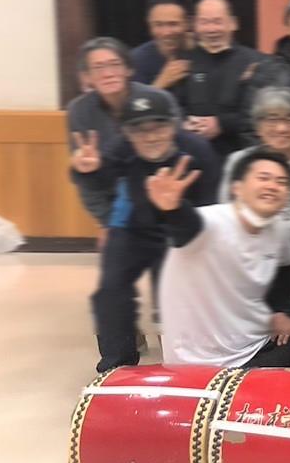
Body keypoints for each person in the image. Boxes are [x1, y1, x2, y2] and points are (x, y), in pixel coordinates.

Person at [70, 87, 219, 372]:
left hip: (184, 229)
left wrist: (177, 214)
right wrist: (86, 172)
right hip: (135, 228)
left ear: (173, 126)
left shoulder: (198, 151)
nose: (150, 137)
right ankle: (115, 368)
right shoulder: (121, 147)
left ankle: (189, 366)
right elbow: (101, 178)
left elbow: (211, 214)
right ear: (128, 133)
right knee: (111, 291)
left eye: (158, 126)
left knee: (175, 297)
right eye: (140, 130)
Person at [154, 149, 290, 368]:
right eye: (263, 178)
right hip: (202, 365)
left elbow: (287, 268)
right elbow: (185, 227)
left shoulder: (278, 229)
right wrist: (173, 209)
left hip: (256, 345)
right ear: (237, 187)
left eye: (281, 182)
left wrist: (280, 311)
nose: (272, 186)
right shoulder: (210, 222)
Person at [219, 88, 290, 301]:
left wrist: (258, 225)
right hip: (247, 274)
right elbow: (229, 218)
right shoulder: (238, 161)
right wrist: (275, 222)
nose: (281, 128)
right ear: (258, 126)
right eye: (272, 119)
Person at [66, 37, 173, 240]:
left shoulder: (159, 99)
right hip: (114, 205)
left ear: (128, 69)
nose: (108, 74)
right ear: (87, 77)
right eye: (98, 68)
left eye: (114, 65)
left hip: (162, 199)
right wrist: (107, 222)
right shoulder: (79, 110)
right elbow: (85, 179)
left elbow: (179, 155)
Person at [178, 0, 270, 158]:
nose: (211, 29)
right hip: (194, 155)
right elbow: (175, 105)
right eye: (204, 22)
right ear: (195, 25)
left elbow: (261, 113)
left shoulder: (255, 61)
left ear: (233, 23)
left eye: (217, 21)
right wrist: (185, 122)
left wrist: (222, 124)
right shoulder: (183, 62)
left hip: (242, 154)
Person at [128, 0, 191, 89]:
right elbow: (133, 99)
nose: (166, 33)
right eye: (158, 25)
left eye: (173, 24)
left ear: (188, 23)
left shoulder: (202, 52)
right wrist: (160, 84)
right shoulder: (137, 61)